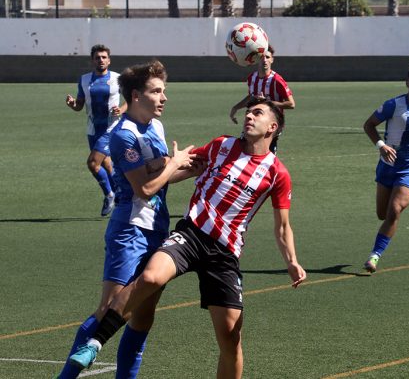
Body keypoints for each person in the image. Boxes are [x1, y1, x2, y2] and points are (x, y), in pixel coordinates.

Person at [67, 98, 307, 378]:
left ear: (273, 127)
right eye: (248, 112)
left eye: (257, 113)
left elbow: (282, 226)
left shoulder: (277, 173)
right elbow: (183, 165)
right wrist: (151, 172)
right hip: (190, 234)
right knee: (150, 277)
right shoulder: (221, 145)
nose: (249, 116)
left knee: (230, 338)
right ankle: (95, 343)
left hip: (224, 253)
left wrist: (292, 261)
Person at [56, 60, 198, 379]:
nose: (164, 98)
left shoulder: (156, 127)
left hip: (157, 229)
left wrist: (191, 169)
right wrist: (175, 163)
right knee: (110, 309)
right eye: (156, 91)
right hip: (130, 230)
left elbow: (160, 174)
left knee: (142, 316)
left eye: (164, 91)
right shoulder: (123, 135)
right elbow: (144, 189)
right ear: (135, 95)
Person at [362, 62, 409, 273]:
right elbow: (368, 125)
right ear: (407, 82)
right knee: (382, 214)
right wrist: (381, 145)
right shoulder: (393, 105)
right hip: (387, 165)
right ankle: (381, 241)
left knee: (394, 210)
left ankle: (374, 255)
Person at [66, 44, 127, 216]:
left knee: (93, 163)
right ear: (92, 60)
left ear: (109, 60)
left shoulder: (117, 78)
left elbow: (130, 100)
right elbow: (79, 105)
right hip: (93, 129)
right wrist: (72, 105)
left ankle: (110, 195)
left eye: (103, 57)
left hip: (111, 128)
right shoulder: (84, 80)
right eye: (97, 57)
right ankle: (122, 196)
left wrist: (121, 109)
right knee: (107, 164)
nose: (100, 60)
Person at [229, 45, 295, 153]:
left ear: (272, 60)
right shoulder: (252, 78)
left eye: (268, 57)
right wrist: (236, 107)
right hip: (256, 119)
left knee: (265, 154)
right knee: (244, 148)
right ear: (257, 59)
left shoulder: (277, 80)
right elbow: (251, 96)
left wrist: (267, 103)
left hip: (272, 122)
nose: (265, 60)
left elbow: (291, 104)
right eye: (262, 57)